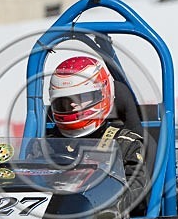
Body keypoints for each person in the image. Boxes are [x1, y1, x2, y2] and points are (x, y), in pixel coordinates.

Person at [46, 55, 148, 207]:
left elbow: (137, 192)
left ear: (102, 94)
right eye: (65, 100)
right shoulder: (46, 144)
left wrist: (99, 205)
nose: (73, 105)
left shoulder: (125, 143)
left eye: (81, 97)